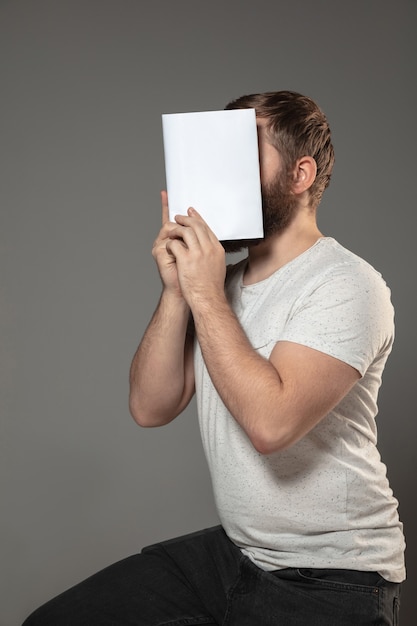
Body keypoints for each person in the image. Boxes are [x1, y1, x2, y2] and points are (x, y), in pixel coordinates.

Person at [23, 91, 405, 625]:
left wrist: (203, 293)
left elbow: (271, 425)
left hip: (334, 576)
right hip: (238, 555)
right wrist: (180, 291)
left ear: (299, 175)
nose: (218, 175)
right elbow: (150, 406)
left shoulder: (347, 284)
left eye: (242, 156)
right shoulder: (218, 285)